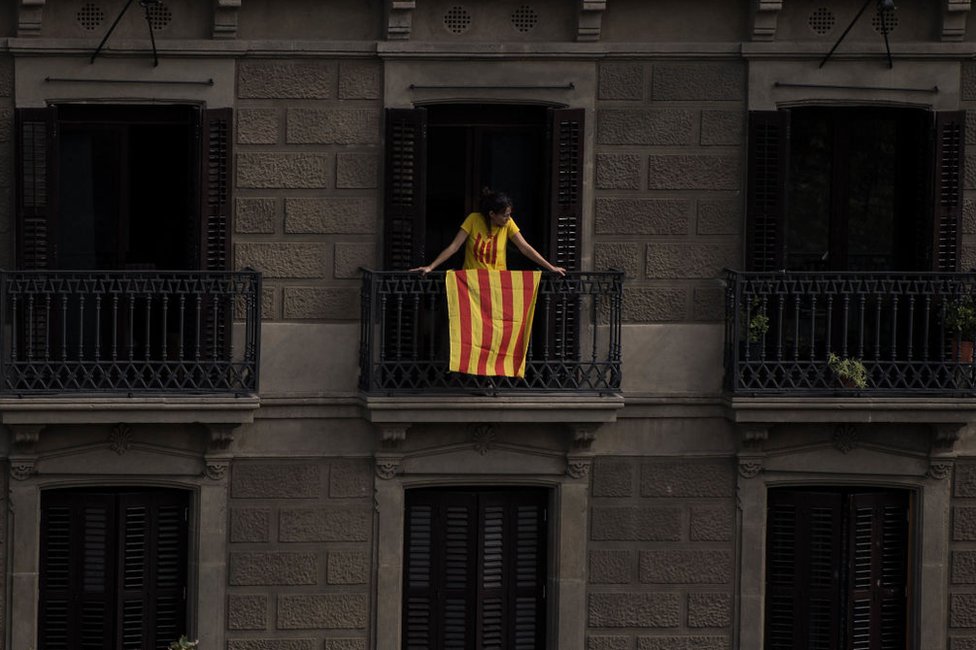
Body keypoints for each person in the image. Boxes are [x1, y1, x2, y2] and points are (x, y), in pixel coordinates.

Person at [410, 189, 567, 275]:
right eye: (505, 215)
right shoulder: (473, 220)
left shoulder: (508, 224)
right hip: (473, 282)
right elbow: (454, 247)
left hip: (497, 282)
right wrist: (431, 267)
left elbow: (524, 247)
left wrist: (550, 267)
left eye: (509, 215)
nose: (508, 218)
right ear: (492, 214)